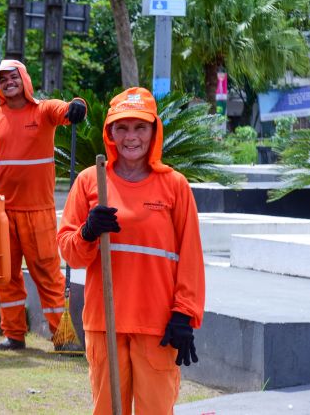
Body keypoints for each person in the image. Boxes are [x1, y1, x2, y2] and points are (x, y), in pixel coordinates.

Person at [57, 87, 205, 414]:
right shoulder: (89, 182)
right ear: (109, 132)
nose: (131, 136)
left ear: (154, 131)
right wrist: (88, 232)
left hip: (159, 325)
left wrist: (184, 314)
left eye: (140, 127)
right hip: (104, 321)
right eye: (121, 127)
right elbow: (70, 253)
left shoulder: (175, 186)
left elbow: (191, 257)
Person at [0, 59, 87, 350]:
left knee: (48, 276)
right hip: (0, 213)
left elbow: (67, 108)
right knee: (5, 277)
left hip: (38, 212)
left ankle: (64, 339)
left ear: (24, 79)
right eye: (2, 79)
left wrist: (77, 105)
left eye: (12, 76)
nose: (8, 82)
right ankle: (15, 335)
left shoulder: (43, 110)